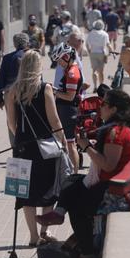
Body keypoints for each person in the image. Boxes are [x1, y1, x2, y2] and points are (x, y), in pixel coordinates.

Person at [36, 90, 130, 258]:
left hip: (115, 189)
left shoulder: (116, 132)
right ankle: (59, 213)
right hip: (118, 183)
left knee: (78, 205)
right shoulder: (124, 127)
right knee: (72, 181)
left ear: (113, 109)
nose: (100, 107)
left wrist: (86, 147)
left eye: (104, 104)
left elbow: (108, 165)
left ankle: (88, 253)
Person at [5, 51, 66, 246]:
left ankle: (33, 235)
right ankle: (44, 232)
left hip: (23, 147)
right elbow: (54, 119)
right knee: (48, 190)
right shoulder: (45, 88)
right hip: (44, 147)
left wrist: (22, 137)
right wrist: (62, 140)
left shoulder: (12, 91)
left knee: (25, 192)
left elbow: (11, 123)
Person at [51, 44, 83, 172]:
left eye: (60, 60)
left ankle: (75, 172)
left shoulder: (71, 73)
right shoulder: (70, 70)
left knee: (70, 144)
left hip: (68, 111)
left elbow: (70, 96)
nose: (59, 63)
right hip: (66, 110)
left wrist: (53, 92)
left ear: (66, 57)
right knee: (68, 143)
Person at [0, 33, 29, 110]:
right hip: (29, 94)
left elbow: (0, 79)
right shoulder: (34, 56)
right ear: (27, 43)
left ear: (14, 44)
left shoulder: (7, 58)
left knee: (11, 121)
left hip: (11, 95)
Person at [86, 20, 113, 88]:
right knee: (101, 71)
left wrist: (89, 51)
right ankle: (101, 85)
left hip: (93, 52)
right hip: (101, 53)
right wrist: (112, 51)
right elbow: (108, 44)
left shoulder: (91, 33)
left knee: (94, 69)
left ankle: (95, 86)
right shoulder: (104, 34)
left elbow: (87, 44)